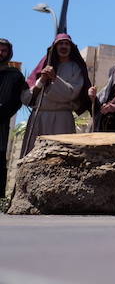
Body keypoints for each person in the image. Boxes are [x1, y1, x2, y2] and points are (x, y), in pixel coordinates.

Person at [20, 34, 92, 157]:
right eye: (60, 43)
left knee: (61, 157)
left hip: (62, 119)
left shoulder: (75, 68)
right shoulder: (44, 66)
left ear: (71, 47)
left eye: (66, 43)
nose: (63, 46)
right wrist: (42, 80)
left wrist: (54, 78)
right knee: (34, 157)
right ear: (55, 47)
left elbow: (71, 94)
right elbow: (27, 98)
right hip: (39, 118)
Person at [0, 38, 25, 196]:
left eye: (4, 50)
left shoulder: (15, 75)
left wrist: (4, 110)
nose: (0, 53)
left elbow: (19, 100)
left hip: (1, 123)